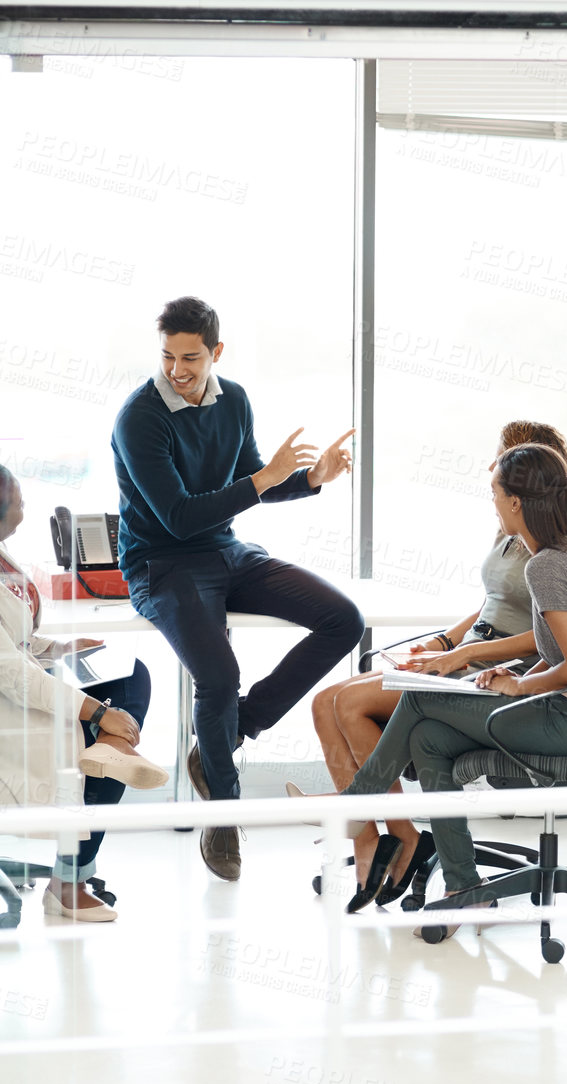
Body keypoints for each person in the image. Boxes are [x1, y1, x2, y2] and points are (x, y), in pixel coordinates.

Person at [298, 422, 567, 911]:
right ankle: (371, 840)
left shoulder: (552, 552)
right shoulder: (516, 533)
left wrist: (466, 659)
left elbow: (562, 644)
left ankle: (389, 831)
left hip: (502, 665)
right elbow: (492, 602)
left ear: (522, 488)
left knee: (353, 704)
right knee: (324, 701)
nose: (489, 472)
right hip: (477, 650)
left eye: (499, 466)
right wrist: (445, 641)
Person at [113, 296, 365, 882]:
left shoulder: (235, 401)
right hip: (161, 561)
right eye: (169, 356)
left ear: (216, 353)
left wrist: (308, 480)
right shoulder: (139, 417)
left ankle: (228, 735)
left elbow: (253, 481)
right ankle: (223, 812)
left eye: (192, 358)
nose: (178, 369)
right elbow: (177, 516)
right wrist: (264, 479)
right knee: (219, 676)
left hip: (226, 551)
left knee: (343, 620)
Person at [0, 460, 168, 923]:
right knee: (80, 744)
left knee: (130, 673)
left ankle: (113, 750)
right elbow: (11, 675)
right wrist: (97, 713)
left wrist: (57, 647)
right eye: (18, 501)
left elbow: (3, 636)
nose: (25, 506)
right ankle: (68, 883)